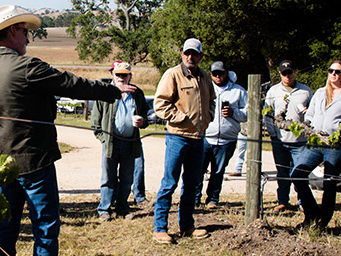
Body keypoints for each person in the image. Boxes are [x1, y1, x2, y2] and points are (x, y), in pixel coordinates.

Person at [0, 5, 127, 256]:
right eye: (24, 31)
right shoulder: (26, 67)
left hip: (1, 167)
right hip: (35, 164)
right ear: (12, 32)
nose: (27, 36)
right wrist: (112, 90)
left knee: (4, 230)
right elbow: (70, 84)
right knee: (45, 231)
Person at [152, 38, 215, 244]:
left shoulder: (205, 77)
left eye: (194, 54)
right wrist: (181, 118)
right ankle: (160, 228)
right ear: (181, 54)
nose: (190, 57)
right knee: (169, 183)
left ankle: (187, 226)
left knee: (192, 184)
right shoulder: (172, 74)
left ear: (200, 56)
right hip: (178, 138)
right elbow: (160, 105)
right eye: (187, 53)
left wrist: (208, 117)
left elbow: (212, 101)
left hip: (199, 139)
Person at [291, 60, 341, 228]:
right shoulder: (319, 93)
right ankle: (311, 213)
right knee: (297, 174)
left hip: (335, 144)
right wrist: (305, 124)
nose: (333, 74)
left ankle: (322, 221)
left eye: (337, 71)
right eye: (331, 70)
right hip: (316, 142)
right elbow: (309, 114)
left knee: (329, 182)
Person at [91, 61, 148, 221]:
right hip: (110, 143)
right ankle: (104, 209)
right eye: (118, 74)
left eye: (125, 74)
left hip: (130, 142)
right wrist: (104, 140)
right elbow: (95, 122)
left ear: (130, 76)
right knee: (108, 177)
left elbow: (145, 115)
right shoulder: (104, 93)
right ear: (112, 75)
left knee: (127, 178)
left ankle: (122, 208)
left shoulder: (137, 93)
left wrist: (142, 121)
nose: (121, 78)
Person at [195, 61, 247, 209]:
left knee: (218, 171)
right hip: (205, 137)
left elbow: (249, 113)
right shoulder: (204, 88)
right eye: (215, 74)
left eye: (221, 73)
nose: (218, 76)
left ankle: (213, 199)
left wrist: (234, 113)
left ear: (226, 72)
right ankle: (195, 198)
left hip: (227, 139)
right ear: (211, 74)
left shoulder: (239, 91)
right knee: (198, 170)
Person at [264, 60, 312, 211]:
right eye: (284, 74)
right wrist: (273, 133)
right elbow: (268, 113)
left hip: (300, 140)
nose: (287, 76)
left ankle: (303, 201)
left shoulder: (305, 91)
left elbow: (313, 112)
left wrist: (308, 121)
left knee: (299, 172)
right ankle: (282, 201)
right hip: (280, 140)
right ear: (280, 74)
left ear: (294, 72)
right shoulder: (273, 92)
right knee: (282, 172)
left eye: (289, 73)